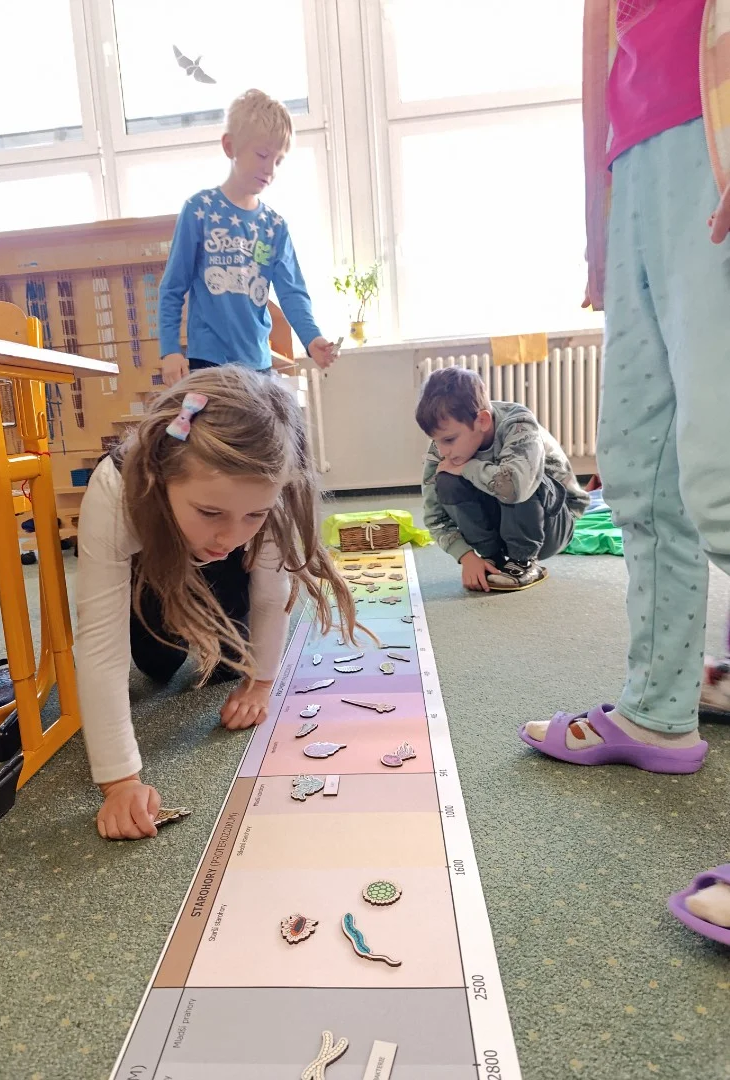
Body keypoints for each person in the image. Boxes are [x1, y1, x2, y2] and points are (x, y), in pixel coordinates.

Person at [520, 0, 730, 942]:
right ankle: (656, 711)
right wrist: (598, 222)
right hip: (635, 160)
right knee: (642, 478)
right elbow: (599, 57)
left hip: (710, 129)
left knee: (720, 480)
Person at [75, 365, 357, 841]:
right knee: (158, 664)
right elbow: (101, 643)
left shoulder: (266, 495)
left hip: (226, 572)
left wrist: (260, 684)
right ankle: (177, 598)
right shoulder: (115, 493)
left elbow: (271, 595)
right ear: (162, 477)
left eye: (254, 514)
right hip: (154, 560)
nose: (230, 534)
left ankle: (222, 608)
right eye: (211, 512)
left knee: (231, 663)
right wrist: (119, 782)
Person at [158, 88, 337, 386]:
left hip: (258, 364)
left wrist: (311, 337)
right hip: (209, 363)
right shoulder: (200, 210)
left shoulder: (274, 226)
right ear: (230, 147)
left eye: (278, 161)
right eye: (262, 155)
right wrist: (170, 350)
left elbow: (292, 292)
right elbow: (173, 286)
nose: (270, 169)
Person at [417, 366, 589, 593]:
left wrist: (467, 467)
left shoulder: (518, 424)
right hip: (503, 520)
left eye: (449, 440)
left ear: (482, 421)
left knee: (517, 478)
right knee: (447, 480)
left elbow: (517, 486)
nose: (442, 451)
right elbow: (434, 517)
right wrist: (467, 557)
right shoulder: (443, 446)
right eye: (436, 441)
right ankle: (493, 557)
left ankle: (523, 560)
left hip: (553, 523)